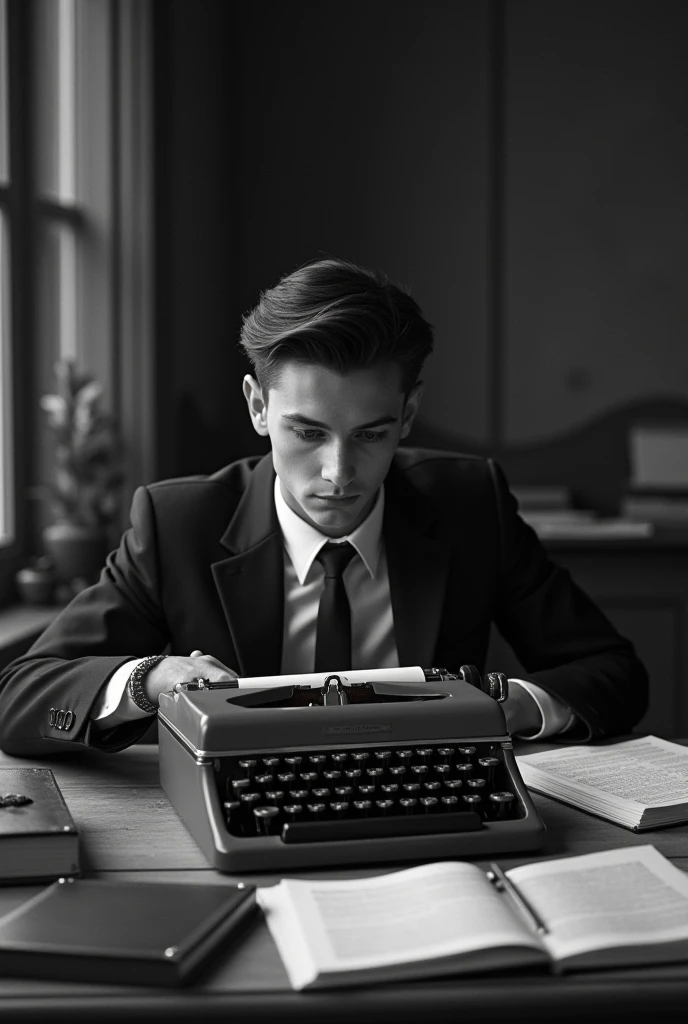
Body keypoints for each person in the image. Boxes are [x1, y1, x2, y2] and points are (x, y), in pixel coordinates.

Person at [0, 258, 647, 756]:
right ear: (258, 407)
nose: (339, 474)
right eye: (308, 432)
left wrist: (514, 707)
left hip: (434, 814)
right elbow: (19, 696)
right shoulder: (176, 524)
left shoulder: (471, 504)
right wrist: (150, 680)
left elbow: (615, 673)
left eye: (371, 434)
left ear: (408, 415)